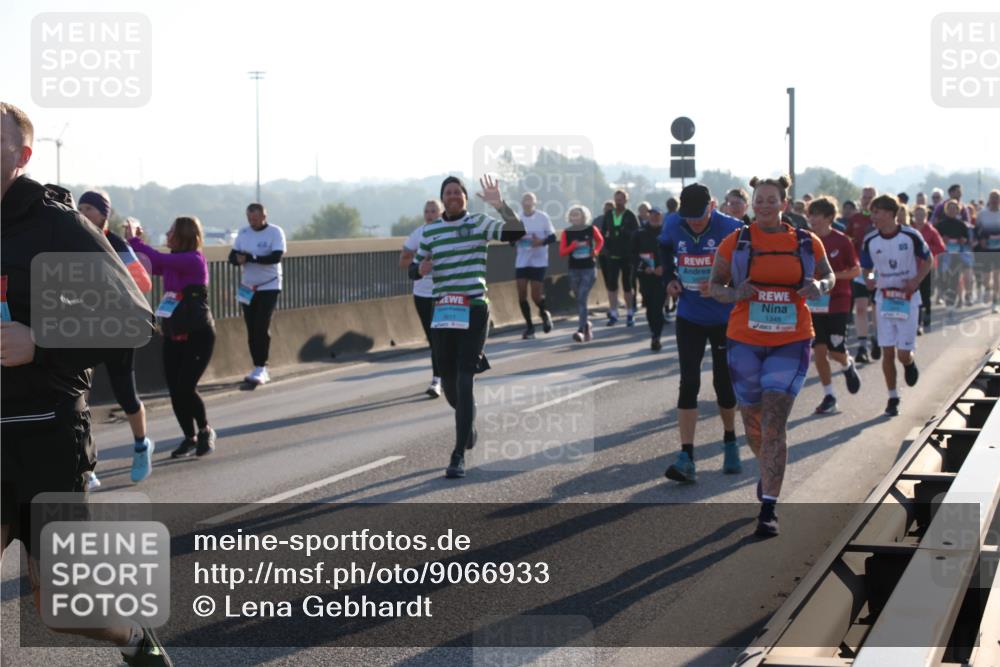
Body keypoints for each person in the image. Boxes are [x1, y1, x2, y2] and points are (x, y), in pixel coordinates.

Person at [1, 102, 172, 665]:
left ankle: (136, 639)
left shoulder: (57, 225)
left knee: (62, 609)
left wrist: (39, 341)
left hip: (47, 437)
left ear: (23, 156)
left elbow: (133, 319)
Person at [709, 175, 834, 537]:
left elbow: (828, 278)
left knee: (774, 420)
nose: (764, 205)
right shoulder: (736, 242)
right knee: (753, 421)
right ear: (751, 204)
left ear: (784, 204)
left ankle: (769, 507)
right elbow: (715, 287)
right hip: (745, 340)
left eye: (770, 199)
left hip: (791, 340)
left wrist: (819, 286)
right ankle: (768, 470)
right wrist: (737, 294)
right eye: (758, 200)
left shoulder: (807, 243)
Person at [412, 175, 525, 478]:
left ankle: (458, 453)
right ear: (442, 198)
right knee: (449, 384)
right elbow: (415, 266)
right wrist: (418, 268)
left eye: (457, 192)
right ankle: (467, 420)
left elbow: (516, 232)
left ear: (464, 197)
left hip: (474, 308)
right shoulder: (431, 231)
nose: (452, 196)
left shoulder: (479, 223)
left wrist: (500, 205)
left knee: (464, 379)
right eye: (447, 193)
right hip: (444, 311)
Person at [660, 183, 743, 482]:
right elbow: (664, 248)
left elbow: (748, 270)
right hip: (690, 316)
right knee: (689, 381)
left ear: (712, 206)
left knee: (723, 383)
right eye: (689, 217)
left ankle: (730, 441)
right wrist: (669, 278)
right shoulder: (674, 223)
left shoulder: (733, 227)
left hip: (723, 318)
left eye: (699, 216)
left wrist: (724, 287)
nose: (693, 222)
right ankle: (686, 456)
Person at [77, 191, 156, 484]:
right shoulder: (75, 239)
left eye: (89, 208)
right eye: (79, 206)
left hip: (119, 329)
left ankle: (141, 445)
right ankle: (85, 466)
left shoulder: (117, 244)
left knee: (125, 394)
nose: (82, 211)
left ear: (103, 214)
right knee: (79, 397)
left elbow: (144, 283)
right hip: (86, 329)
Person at [127, 216, 218, 459]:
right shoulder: (174, 262)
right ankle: (190, 437)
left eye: (171, 231)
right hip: (174, 332)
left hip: (198, 333)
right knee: (175, 390)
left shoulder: (192, 260)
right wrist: (135, 244)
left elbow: (157, 258)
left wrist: (135, 239)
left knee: (186, 387)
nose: (166, 235)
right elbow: (148, 263)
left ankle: (205, 429)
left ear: (184, 236)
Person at [860, 195, 932, 416]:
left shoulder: (910, 235)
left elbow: (928, 260)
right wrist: (870, 279)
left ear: (890, 213)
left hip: (908, 300)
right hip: (884, 300)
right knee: (887, 352)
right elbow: (866, 268)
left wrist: (916, 281)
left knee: (902, 354)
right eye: (872, 213)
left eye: (877, 212)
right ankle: (893, 398)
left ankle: (909, 363)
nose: (873, 217)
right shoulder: (870, 240)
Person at [805, 197, 862, 414]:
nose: (813, 219)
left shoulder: (842, 241)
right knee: (819, 350)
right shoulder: (806, 241)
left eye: (817, 215)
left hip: (838, 301)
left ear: (829, 218)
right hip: (815, 302)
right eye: (811, 215)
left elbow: (856, 271)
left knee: (834, 351)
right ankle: (829, 396)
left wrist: (832, 277)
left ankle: (847, 364)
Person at [229, 203, 286, 386]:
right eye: (249, 218)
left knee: (262, 325)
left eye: (255, 218)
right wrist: (238, 259)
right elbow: (232, 257)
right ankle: (256, 365)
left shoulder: (275, 232)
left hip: (269, 285)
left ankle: (262, 367)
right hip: (248, 287)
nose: (252, 222)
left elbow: (275, 257)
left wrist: (251, 258)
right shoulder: (243, 233)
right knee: (252, 327)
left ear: (264, 216)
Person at [400, 199, 445, 397]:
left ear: (441, 212)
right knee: (433, 338)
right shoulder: (418, 234)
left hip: (444, 291)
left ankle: (442, 376)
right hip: (422, 293)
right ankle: (438, 379)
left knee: (443, 337)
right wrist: (419, 262)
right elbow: (403, 261)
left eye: (434, 211)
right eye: (426, 211)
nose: (429, 214)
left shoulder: (448, 232)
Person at [513, 192, 556, 339]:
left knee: (535, 295)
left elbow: (553, 237)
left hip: (539, 260)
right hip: (522, 260)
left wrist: (541, 242)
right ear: (521, 203)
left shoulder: (542, 217)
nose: (527, 202)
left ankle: (544, 314)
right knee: (521, 293)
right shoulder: (517, 219)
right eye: (525, 199)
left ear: (535, 202)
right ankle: (530, 327)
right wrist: (516, 237)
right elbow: (510, 241)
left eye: (530, 200)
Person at [559, 204, 604, 342]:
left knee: (582, 298)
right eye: (572, 215)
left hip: (589, 269)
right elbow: (562, 252)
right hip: (574, 269)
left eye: (577, 214)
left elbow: (600, 241)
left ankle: (580, 330)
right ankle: (587, 325)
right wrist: (573, 246)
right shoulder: (566, 232)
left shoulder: (591, 229)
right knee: (579, 298)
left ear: (583, 216)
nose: (574, 217)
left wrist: (595, 251)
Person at [847, 186, 879, 363]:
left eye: (870, 197)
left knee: (875, 307)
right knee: (860, 307)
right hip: (860, 269)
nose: (867, 200)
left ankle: (876, 338)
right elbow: (848, 239)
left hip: (877, 271)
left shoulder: (881, 219)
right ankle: (861, 346)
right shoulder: (856, 219)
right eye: (865, 197)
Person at [598, 189, 639, 326]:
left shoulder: (630, 215)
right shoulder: (609, 214)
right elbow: (602, 232)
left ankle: (630, 313)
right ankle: (614, 313)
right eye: (616, 200)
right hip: (612, 255)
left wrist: (625, 232)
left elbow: (637, 234)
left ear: (625, 201)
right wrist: (606, 245)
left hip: (627, 255)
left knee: (627, 286)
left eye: (620, 200)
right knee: (612, 285)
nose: (618, 202)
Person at [631, 206, 667, 350]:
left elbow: (676, 253)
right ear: (648, 216)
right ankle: (653, 330)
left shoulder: (667, 233)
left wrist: (664, 268)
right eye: (652, 214)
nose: (654, 217)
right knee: (649, 306)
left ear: (661, 217)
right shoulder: (639, 233)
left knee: (658, 307)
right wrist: (644, 267)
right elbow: (632, 255)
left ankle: (656, 336)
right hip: (645, 276)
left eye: (657, 215)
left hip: (662, 277)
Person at [911, 204, 946, 330]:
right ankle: (916, 320)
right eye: (917, 214)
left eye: (922, 215)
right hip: (912, 267)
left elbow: (941, 248)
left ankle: (927, 317)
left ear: (926, 216)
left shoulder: (931, 230)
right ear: (913, 216)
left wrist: (925, 250)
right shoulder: (910, 229)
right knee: (915, 293)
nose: (919, 217)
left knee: (925, 294)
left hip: (927, 267)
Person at [936, 199, 975, 308]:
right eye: (950, 208)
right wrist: (942, 240)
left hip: (960, 253)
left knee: (963, 276)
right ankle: (953, 298)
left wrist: (963, 240)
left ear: (958, 211)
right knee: (952, 277)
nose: (952, 210)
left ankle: (964, 296)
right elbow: (936, 239)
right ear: (946, 210)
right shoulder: (940, 224)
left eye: (954, 208)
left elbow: (967, 238)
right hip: (946, 255)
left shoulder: (962, 224)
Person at [974, 190, 1000, 313]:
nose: (994, 200)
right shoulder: (982, 214)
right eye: (992, 197)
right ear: (989, 199)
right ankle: (988, 289)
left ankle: (995, 301)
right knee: (986, 278)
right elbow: (976, 230)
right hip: (986, 249)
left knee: (997, 276)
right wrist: (981, 240)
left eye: (997, 198)